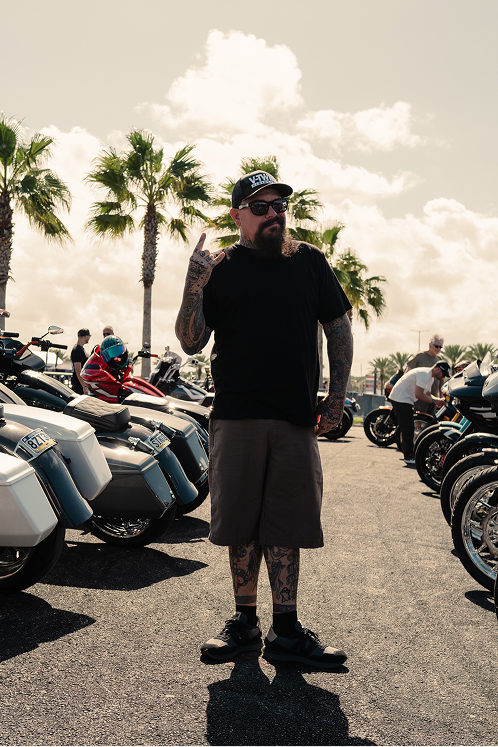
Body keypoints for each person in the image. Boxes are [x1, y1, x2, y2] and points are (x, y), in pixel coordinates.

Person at [175, 169, 354, 668]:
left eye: (280, 205)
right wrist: (194, 285)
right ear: (238, 217)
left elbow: (338, 328)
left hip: (295, 417)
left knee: (287, 525)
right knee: (241, 526)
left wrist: (336, 396)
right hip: (236, 415)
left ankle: (288, 631)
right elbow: (190, 340)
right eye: (262, 206)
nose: (275, 214)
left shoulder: (310, 263)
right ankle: (244, 623)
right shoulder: (220, 269)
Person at [388, 361, 450, 465]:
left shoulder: (430, 377)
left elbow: (428, 394)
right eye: (443, 374)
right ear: (438, 369)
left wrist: (439, 400)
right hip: (401, 398)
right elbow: (419, 394)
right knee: (408, 428)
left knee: (405, 425)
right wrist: (435, 401)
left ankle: (405, 448)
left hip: (404, 399)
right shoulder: (424, 375)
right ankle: (408, 456)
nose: (443, 377)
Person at [405, 335, 444, 414]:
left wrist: (440, 398)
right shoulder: (419, 356)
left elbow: (441, 380)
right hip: (419, 398)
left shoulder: (439, 360)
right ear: (430, 345)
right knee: (418, 421)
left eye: (440, 347)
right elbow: (407, 373)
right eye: (436, 346)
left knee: (430, 422)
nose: (438, 349)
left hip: (432, 398)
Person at [70, 328, 91, 394]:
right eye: (89, 336)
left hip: (80, 384)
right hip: (78, 386)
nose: (89, 338)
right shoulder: (77, 350)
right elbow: (78, 370)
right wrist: (84, 386)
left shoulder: (81, 349)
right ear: (85, 336)